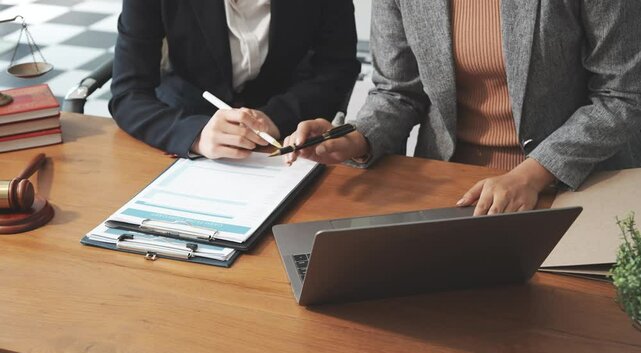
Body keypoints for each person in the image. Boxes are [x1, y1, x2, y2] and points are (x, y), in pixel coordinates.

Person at [284, 0, 641, 215]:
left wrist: (532, 174)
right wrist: (355, 138)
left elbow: (621, 95)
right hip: (450, 189)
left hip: (575, 186)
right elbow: (397, 92)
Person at [110, 0, 360, 159]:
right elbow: (128, 93)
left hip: (284, 137)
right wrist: (196, 135)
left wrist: (274, 116)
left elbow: (337, 68)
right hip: (183, 126)